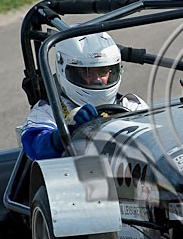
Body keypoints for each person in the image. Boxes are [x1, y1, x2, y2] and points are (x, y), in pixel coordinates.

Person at [20, 32, 147, 160]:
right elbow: (35, 147)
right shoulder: (48, 110)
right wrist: (65, 133)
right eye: (87, 73)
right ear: (65, 70)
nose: (97, 80)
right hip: (73, 176)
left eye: (103, 71)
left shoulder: (132, 105)